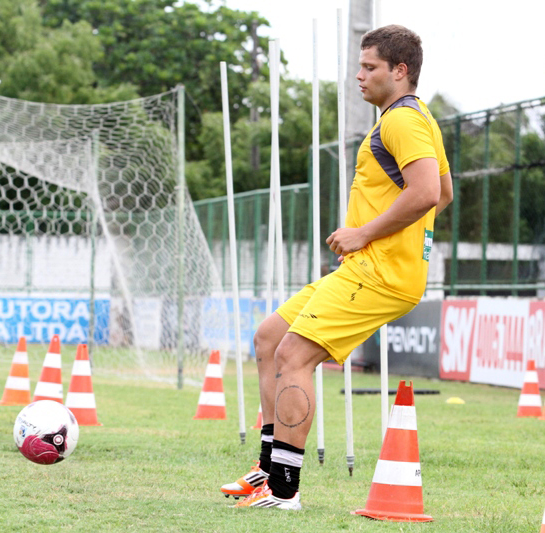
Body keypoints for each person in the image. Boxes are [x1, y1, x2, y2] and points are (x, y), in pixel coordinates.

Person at [222, 24, 453, 510]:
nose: (359, 76)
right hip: (369, 267)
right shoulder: (412, 119)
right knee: (269, 337)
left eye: (370, 67)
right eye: (360, 66)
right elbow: (443, 193)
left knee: (293, 356)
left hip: (378, 271)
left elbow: (428, 194)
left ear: (400, 70)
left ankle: (284, 490)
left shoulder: (402, 122)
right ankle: (267, 471)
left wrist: (366, 233)